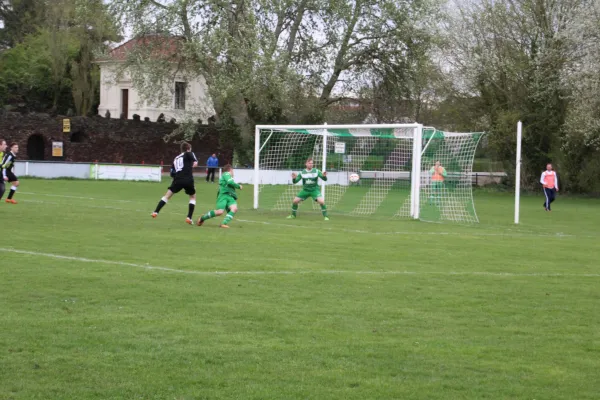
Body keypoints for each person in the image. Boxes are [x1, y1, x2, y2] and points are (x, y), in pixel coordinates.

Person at [152, 142, 198, 224]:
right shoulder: (189, 153)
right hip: (188, 179)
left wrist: (177, 178)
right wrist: (191, 166)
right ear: (188, 149)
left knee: (167, 196)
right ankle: (189, 217)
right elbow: (195, 163)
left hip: (177, 179)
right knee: (192, 197)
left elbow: (172, 172)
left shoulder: (176, 158)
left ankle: (155, 212)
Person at [196, 164, 241, 229]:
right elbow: (230, 182)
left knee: (234, 208)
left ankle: (223, 223)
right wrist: (239, 186)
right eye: (233, 171)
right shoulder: (226, 174)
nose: (233, 173)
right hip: (223, 195)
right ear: (230, 170)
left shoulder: (229, 177)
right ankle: (202, 218)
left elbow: (230, 186)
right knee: (220, 212)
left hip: (230, 196)